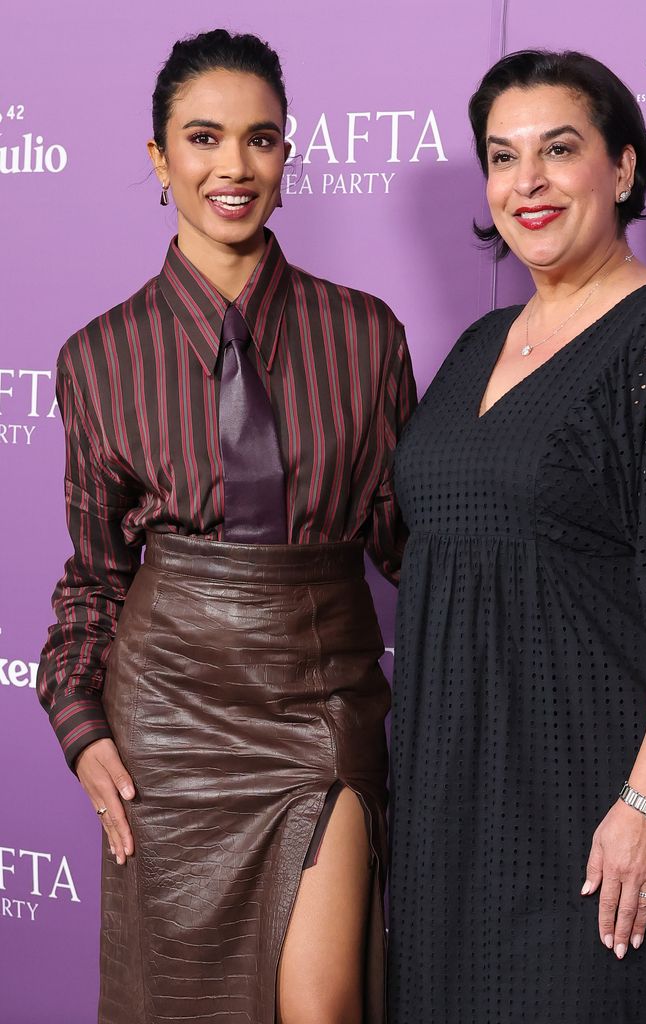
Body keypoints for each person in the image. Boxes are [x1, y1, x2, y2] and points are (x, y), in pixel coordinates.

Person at [388, 49, 646, 1024]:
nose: (524, 181)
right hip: (468, 801)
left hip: (613, 798)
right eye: (500, 156)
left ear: (620, 168)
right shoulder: (473, 349)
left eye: (557, 149)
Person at [36, 29, 414, 1024]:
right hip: (169, 720)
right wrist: (80, 722)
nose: (232, 167)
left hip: (321, 706)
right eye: (202, 139)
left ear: (287, 157)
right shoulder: (99, 357)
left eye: (260, 139)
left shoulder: (366, 336)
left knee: (321, 1006)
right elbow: (97, 572)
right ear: (160, 158)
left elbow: (411, 543)